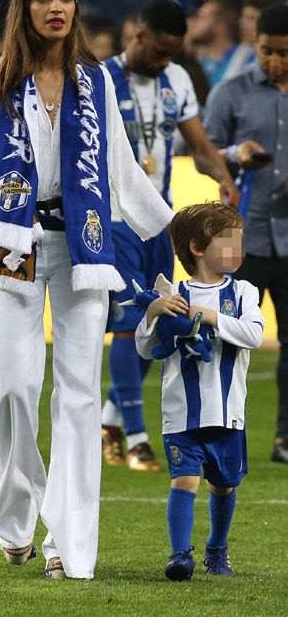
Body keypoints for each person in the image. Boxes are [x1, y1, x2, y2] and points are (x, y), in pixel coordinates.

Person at [0, 0, 174, 579]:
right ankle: (17, 516)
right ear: (24, 7)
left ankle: (66, 547)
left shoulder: (94, 82)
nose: (57, 7)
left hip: (84, 245)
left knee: (76, 397)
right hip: (10, 242)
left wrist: (175, 232)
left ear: (75, 7)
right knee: (9, 388)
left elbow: (123, 171)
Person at [102, 0, 239, 472]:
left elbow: (198, 145)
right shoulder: (98, 81)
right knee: (127, 321)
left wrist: (221, 175)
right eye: (158, 52)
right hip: (113, 219)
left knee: (158, 324)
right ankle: (137, 439)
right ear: (137, 35)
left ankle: (109, 423)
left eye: (171, 54)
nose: (164, 62)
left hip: (157, 222)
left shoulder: (177, 81)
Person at [135, 203, 263, 580]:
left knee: (222, 486)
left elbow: (254, 334)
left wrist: (210, 317)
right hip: (181, 412)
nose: (239, 249)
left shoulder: (243, 291)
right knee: (185, 480)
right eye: (229, 241)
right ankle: (179, 555)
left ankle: (217, 549)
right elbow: (145, 348)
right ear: (197, 247)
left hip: (228, 412)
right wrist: (153, 312)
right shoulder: (172, 293)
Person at [204, 3, 288, 465]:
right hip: (244, 237)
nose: (274, 61)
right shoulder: (230, 92)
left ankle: (284, 439)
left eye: (283, 53)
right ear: (255, 44)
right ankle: (220, 439)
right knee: (228, 341)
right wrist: (234, 154)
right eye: (267, 51)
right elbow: (201, 150)